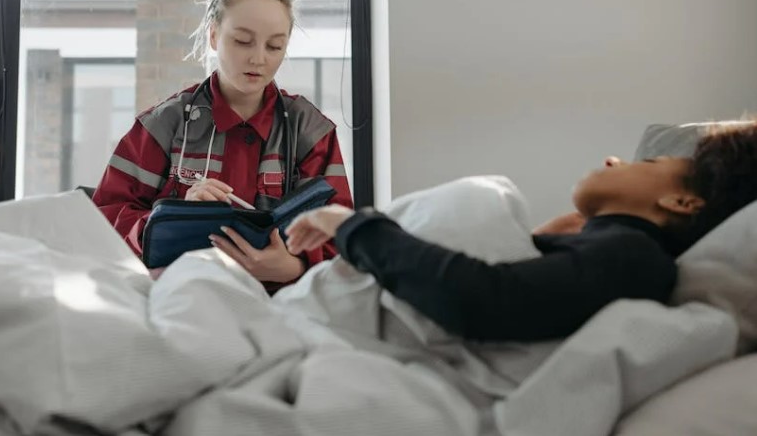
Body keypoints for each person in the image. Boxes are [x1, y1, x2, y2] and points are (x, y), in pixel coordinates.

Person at [286, 122, 757, 341]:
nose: (616, 160)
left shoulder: (635, 256)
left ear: (681, 202)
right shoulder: (609, 246)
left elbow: (485, 299)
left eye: (648, 162)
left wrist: (352, 225)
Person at [92, 0, 352, 287]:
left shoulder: (312, 132)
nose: (259, 59)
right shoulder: (161, 126)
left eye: (274, 46)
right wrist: (176, 212)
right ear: (214, 35)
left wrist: (294, 266)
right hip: (183, 294)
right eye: (243, 41)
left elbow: (343, 232)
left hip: (281, 305)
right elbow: (102, 222)